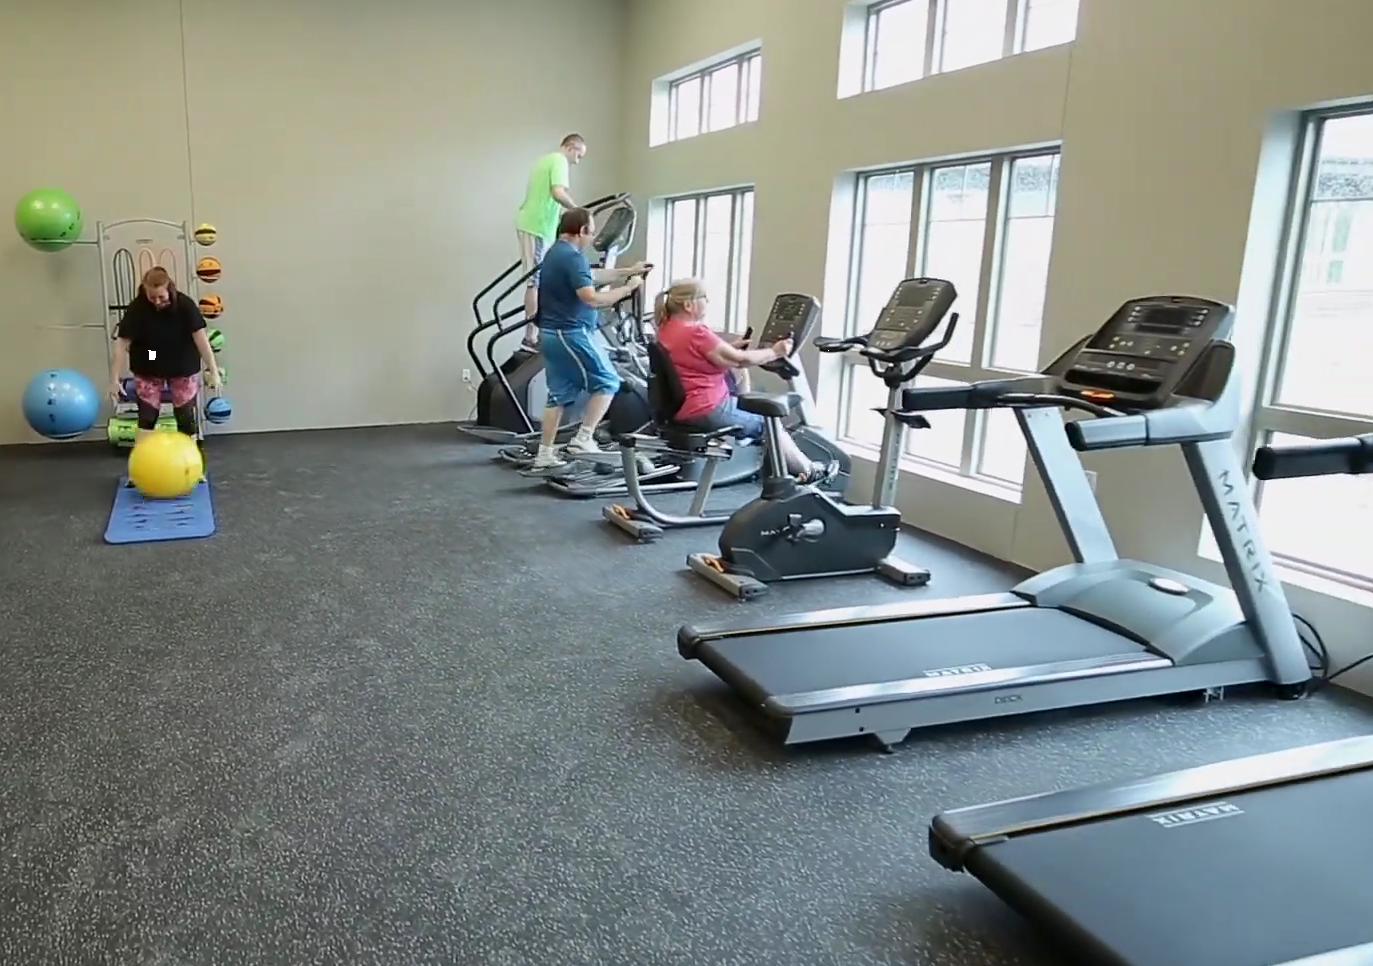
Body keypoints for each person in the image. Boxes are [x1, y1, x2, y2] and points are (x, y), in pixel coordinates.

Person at [653, 278, 839, 484]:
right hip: (708, 408)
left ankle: (772, 456)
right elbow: (741, 360)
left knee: (742, 384)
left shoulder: (666, 329)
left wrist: (730, 347)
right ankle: (808, 471)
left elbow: (696, 358)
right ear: (688, 304)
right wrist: (775, 351)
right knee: (768, 420)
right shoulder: (697, 333)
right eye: (704, 298)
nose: (707, 302)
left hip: (684, 408)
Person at [528, 207, 649, 472]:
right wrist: (628, 288)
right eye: (591, 233)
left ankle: (545, 454)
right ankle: (584, 438)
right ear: (582, 231)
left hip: (551, 333)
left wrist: (628, 270)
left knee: (558, 395)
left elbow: (590, 277)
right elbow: (591, 297)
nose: (592, 238)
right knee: (607, 382)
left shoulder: (555, 253)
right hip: (571, 333)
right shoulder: (573, 257)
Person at [108, 266, 221, 448]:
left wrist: (214, 371)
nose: (157, 301)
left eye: (161, 297)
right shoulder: (138, 308)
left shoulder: (185, 305)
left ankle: (190, 464)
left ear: (169, 288)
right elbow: (120, 344)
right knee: (147, 417)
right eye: (152, 297)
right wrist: (113, 380)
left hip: (182, 366)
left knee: (185, 416)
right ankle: (143, 464)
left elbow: (201, 340)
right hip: (147, 367)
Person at [514, 134, 586, 350]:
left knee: (539, 279)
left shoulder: (546, 160)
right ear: (571, 148)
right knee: (534, 280)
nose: (577, 161)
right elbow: (557, 192)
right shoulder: (559, 161)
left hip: (538, 225)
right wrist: (578, 211)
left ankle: (534, 333)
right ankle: (531, 337)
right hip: (536, 226)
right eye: (579, 155)